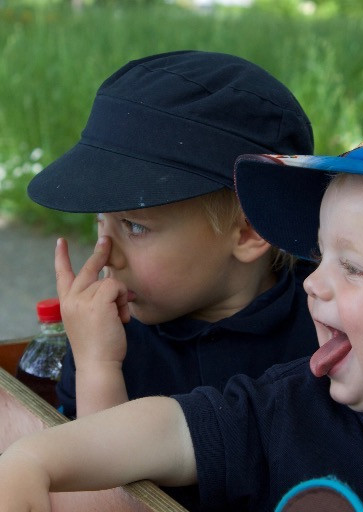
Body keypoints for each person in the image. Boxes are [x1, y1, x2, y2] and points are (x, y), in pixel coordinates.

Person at [3, 111, 363, 512]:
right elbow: (167, 430)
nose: (311, 282)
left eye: (352, 268)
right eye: (318, 256)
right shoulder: (286, 409)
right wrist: (36, 458)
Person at [26, 50, 317, 510]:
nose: (106, 254)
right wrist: (98, 368)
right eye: (99, 221)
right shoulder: (105, 338)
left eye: (135, 226)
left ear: (250, 230)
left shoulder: (326, 323)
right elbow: (104, 501)